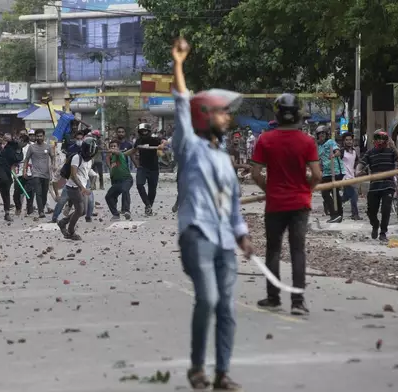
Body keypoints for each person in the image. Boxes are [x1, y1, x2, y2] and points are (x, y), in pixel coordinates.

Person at [171, 37, 253, 391]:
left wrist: (243, 234)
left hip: (223, 240)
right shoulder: (189, 146)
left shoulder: (225, 159)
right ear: (204, 115)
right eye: (222, 111)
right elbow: (180, 103)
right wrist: (178, 64)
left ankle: (222, 372)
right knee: (208, 298)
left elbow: (233, 206)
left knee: (227, 308)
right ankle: (196, 367)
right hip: (197, 234)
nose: (228, 117)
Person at [251, 94, 322, 315]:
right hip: (300, 204)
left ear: (277, 114)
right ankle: (298, 302)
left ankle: (273, 298)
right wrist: (305, 190)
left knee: (273, 250)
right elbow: (317, 175)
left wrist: (268, 189)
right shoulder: (307, 141)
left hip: (275, 204)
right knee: (297, 251)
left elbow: (255, 173)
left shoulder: (265, 140)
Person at [356, 130, 398, 241]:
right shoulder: (370, 152)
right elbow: (361, 164)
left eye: (383, 138)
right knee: (371, 211)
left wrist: (394, 147)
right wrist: (357, 171)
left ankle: (383, 232)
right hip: (374, 185)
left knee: (386, 209)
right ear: (374, 139)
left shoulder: (391, 151)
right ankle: (375, 224)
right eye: (378, 137)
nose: (380, 140)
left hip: (388, 185)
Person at [57, 137, 97, 241]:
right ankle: (71, 231)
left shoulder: (90, 160)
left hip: (83, 187)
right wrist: (82, 188)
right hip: (73, 187)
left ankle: (63, 222)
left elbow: (86, 172)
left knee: (83, 211)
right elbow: (73, 175)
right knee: (79, 210)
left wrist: (93, 182)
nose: (89, 155)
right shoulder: (76, 157)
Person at [132, 123, 166, 216]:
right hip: (142, 167)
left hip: (154, 168)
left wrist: (162, 145)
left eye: (145, 131)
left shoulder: (155, 140)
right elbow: (133, 152)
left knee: (152, 189)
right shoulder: (138, 141)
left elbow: (164, 141)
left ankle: (149, 207)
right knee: (139, 185)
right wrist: (136, 164)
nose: (143, 133)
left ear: (149, 132)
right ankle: (147, 204)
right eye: (141, 131)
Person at [0, 137, 25, 222]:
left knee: (7, 188)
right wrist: (10, 138)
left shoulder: (20, 155)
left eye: (24, 142)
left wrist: (14, 174)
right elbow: (9, 139)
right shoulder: (12, 144)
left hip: (7, 169)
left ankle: (7, 213)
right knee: (5, 180)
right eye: (20, 140)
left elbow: (14, 164)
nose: (21, 142)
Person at [316, 126, 344, 223]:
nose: (322, 135)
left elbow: (338, 152)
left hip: (335, 171)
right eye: (320, 134)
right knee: (333, 192)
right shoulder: (319, 147)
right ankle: (338, 214)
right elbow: (320, 161)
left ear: (326, 135)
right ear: (318, 136)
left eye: (323, 134)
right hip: (326, 172)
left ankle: (335, 214)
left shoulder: (330, 142)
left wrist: (333, 155)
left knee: (328, 192)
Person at [24, 129, 54, 218]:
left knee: (44, 193)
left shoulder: (48, 147)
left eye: (41, 136)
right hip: (36, 173)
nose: (39, 137)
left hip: (46, 174)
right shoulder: (32, 147)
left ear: (44, 136)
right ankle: (41, 211)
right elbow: (26, 159)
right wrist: (24, 171)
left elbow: (53, 157)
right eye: (37, 136)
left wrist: (53, 166)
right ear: (35, 137)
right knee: (38, 192)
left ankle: (42, 207)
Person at [105, 140, 133, 220]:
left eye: (115, 146)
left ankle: (126, 211)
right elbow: (109, 164)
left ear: (118, 148)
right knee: (109, 196)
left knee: (125, 190)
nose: (113, 148)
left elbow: (116, 152)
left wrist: (110, 149)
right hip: (116, 182)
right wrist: (108, 156)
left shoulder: (120, 154)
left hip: (126, 179)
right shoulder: (112, 159)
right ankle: (115, 214)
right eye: (111, 146)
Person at [340, 132, 361, 220]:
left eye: (350, 140)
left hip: (352, 176)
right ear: (344, 141)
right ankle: (355, 214)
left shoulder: (354, 152)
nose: (349, 142)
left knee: (346, 196)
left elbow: (356, 162)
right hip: (345, 177)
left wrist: (357, 170)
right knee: (354, 195)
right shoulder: (341, 152)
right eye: (347, 140)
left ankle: (334, 203)